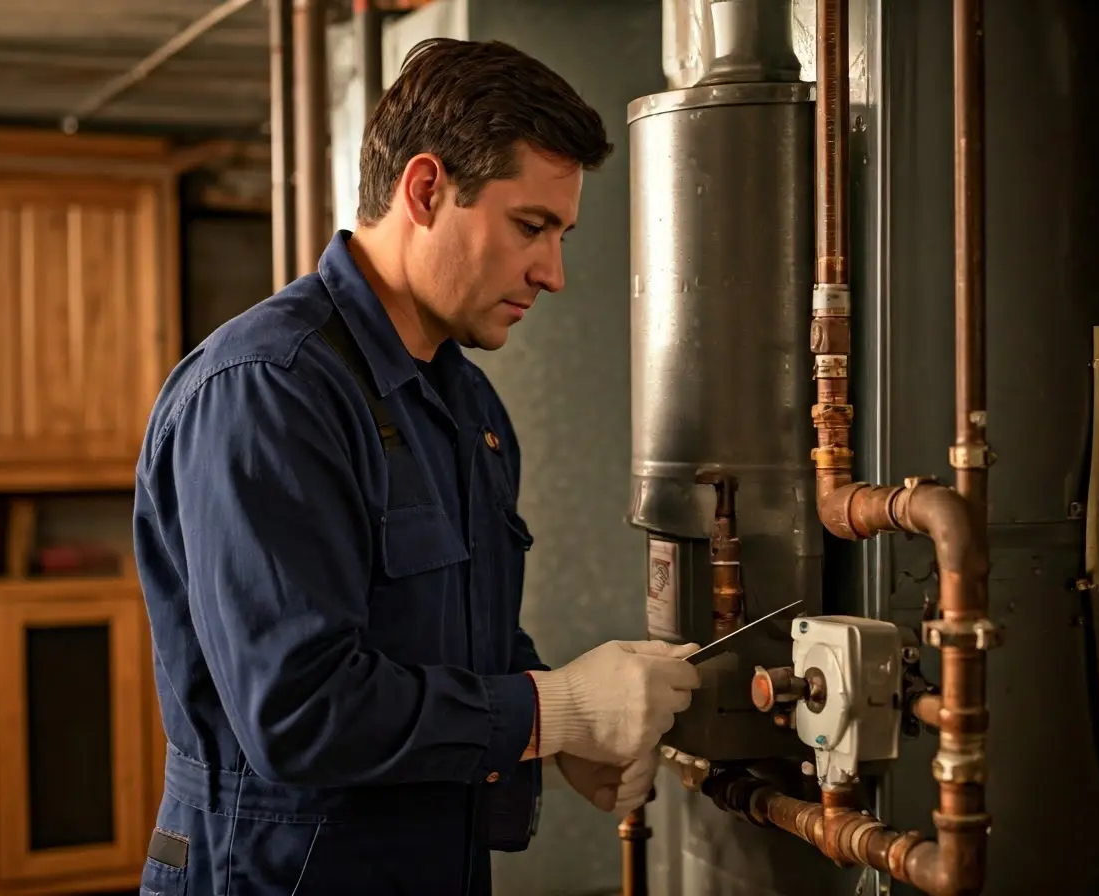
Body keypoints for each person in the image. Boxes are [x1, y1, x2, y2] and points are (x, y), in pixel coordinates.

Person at [132, 36, 701, 896]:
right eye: (530, 227)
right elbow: (301, 714)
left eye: (560, 234)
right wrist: (554, 711)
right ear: (427, 190)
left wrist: (551, 740)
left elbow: (460, 649)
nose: (553, 273)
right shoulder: (267, 393)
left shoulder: (466, 407)